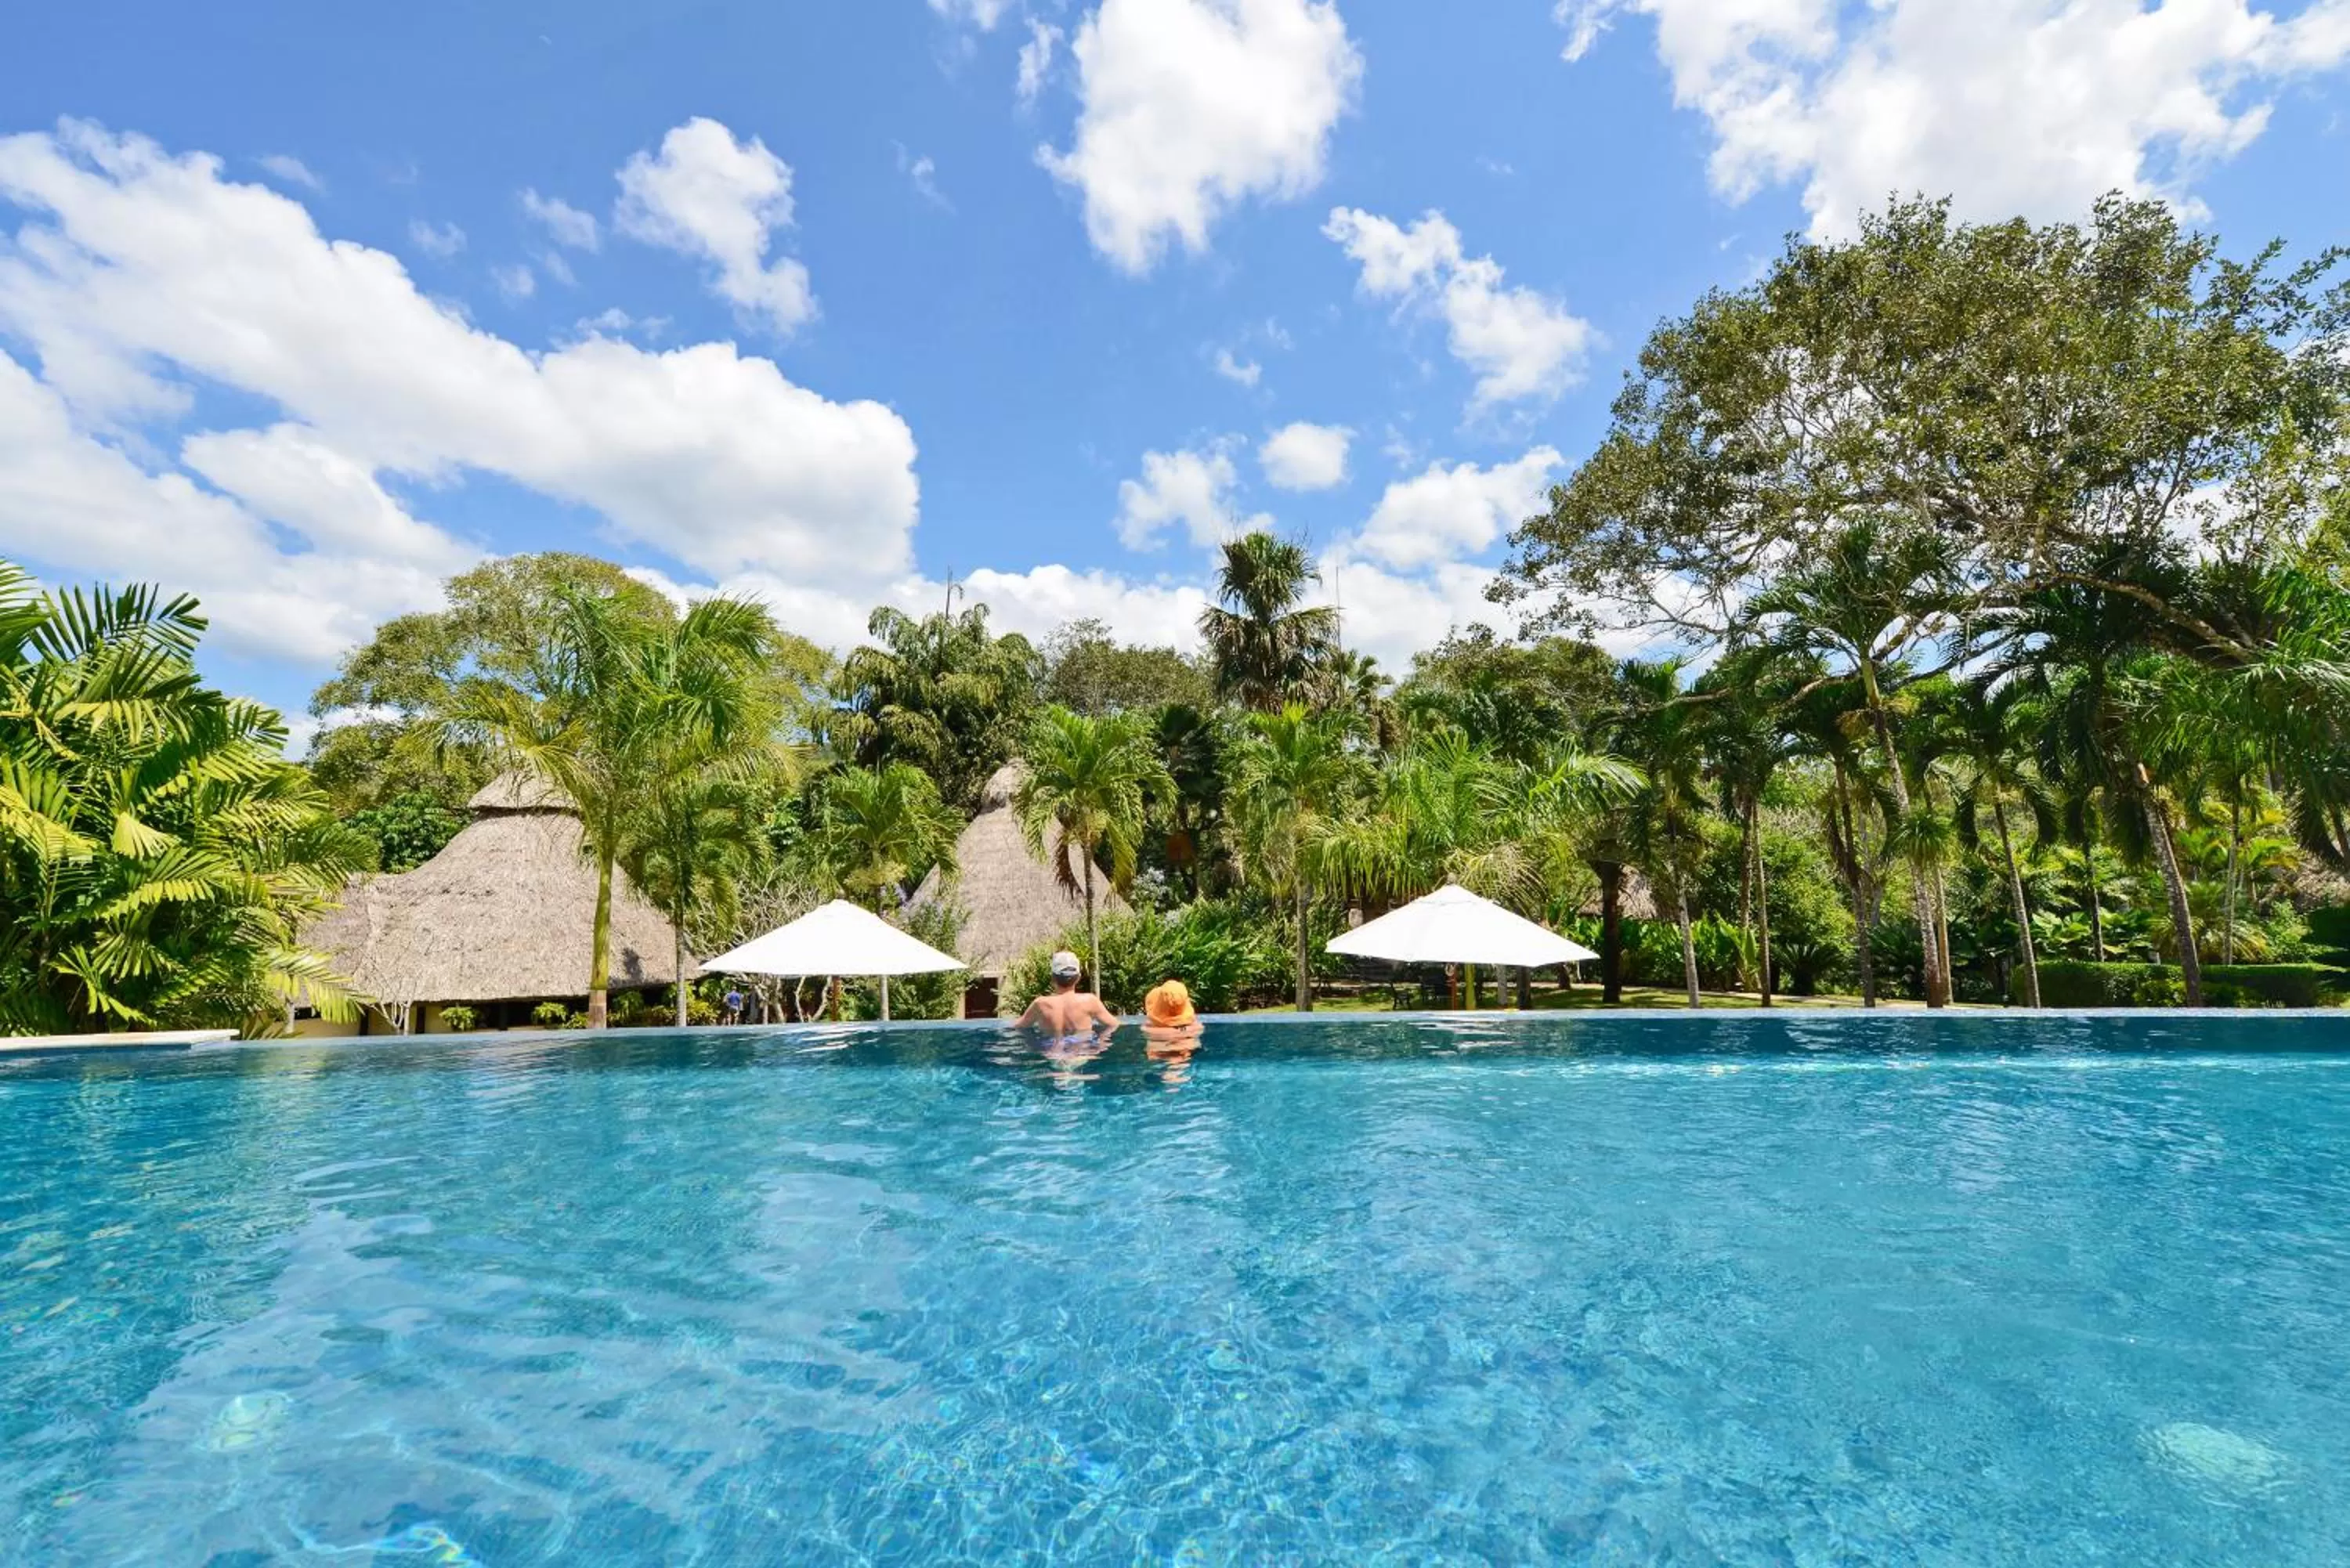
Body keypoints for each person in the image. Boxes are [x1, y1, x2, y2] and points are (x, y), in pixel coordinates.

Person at [1019, 950, 1121, 1039]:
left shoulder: (1040, 1004)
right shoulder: (1089, 1001)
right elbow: (1113, 1025)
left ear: (1053, 978)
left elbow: (1019, 1027)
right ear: (1078, 978)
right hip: (1081, 1051)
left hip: (1053, 1051)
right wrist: (1101, 1043)